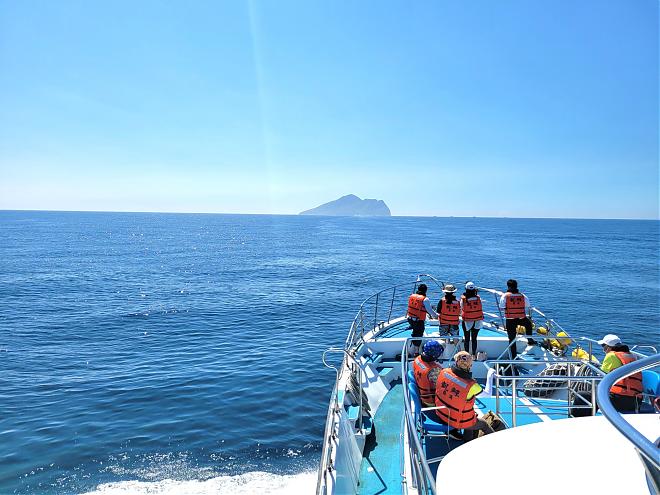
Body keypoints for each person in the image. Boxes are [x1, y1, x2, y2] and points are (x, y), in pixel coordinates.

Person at [434, 351, 494, 442]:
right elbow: (488, 395)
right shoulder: (471, 385)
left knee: (470, 418)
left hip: (441, 413)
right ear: (469, 366)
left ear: (456, 361)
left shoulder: (444, 371)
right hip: (457, 420)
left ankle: (467, 441)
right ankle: (496, 442)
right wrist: (490, 376)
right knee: (483, 424)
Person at [599, 334, 643, 412]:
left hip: (619, 398)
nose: (603, 349)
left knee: (587, 396)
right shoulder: (632, 355)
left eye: (603, 346)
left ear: (608, 347)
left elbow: (601, 373)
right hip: (635, 400)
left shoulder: (611, 355)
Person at [499, 279, 534, 360]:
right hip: (521, 318)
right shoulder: (522, 296)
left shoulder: (505, 296)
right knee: (528, 325)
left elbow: (501, 307)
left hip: (510, 319)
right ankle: (530, 339)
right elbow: (528, 305)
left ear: (508, 286)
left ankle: (513, 356)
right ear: (516, 286)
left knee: (512, 338)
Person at [407, 284, 438, 355]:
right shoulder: (425, 299)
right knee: (418, 334)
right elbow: (429, 310)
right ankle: (416, 352)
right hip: (418, 321)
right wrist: (436, 316)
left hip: (410, 319)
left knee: (415, 332)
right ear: (426, 290)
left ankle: (412, 349)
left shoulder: (412, 296)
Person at [412, 341, 444, 407]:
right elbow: (443, 384)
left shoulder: (417, 359)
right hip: (430, 401)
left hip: (421, 394)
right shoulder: (434, 370)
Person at [460, 282, 484, 357]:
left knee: (467, 338)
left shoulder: (464, 299)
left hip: (467, 321)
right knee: (474, 338)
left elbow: (461, 307)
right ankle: (473, 355)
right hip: (477, 320)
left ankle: (466, 356)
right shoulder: (478, 298)